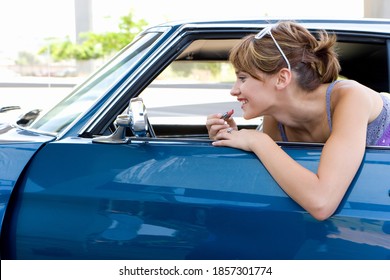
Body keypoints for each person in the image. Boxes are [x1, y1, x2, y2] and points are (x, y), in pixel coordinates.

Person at [206, 21, 390, 221]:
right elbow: (267, 188)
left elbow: (322, 203)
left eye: (243, 78)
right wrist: (230, 139)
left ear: (282, 78)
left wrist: (258, 141)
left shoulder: (350, 97)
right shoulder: (275, 119)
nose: (234, 90)